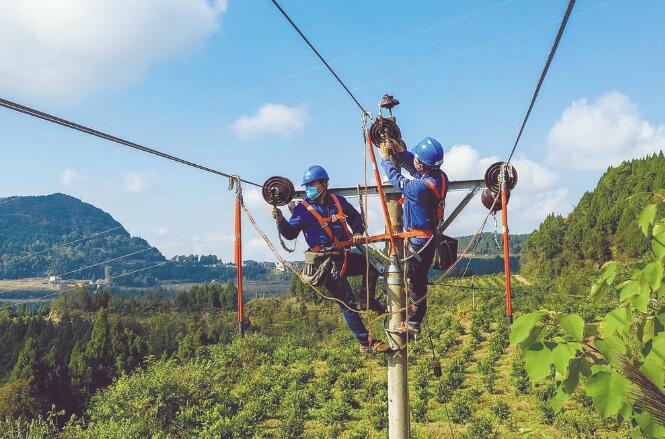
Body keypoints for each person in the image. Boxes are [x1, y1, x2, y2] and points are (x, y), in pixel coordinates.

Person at [272, 165, 390, 353]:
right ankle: (365, 342)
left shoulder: (338, 202)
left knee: (373, 265)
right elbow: (290, 234)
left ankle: (367, 300)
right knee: (346, 302)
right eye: (308, 185)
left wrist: (358, 232)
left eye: (313, 184)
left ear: (324, 184)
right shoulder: (302, 210)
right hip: (325, 263)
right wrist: (280, 220)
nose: (310, 188)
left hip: (342, 255)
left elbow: (356, 218)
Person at [378, 137, 449, 336]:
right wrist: (401, 152)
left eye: (417, 158)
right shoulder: (440, 178)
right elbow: (418, 169)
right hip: (429, 237)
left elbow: (397, 180)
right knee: (416, 281)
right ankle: (413, 319)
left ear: (422, 162)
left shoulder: (418, 188)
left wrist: (385, 159)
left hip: (419, 242)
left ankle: (414, 323)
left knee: (416, 282)